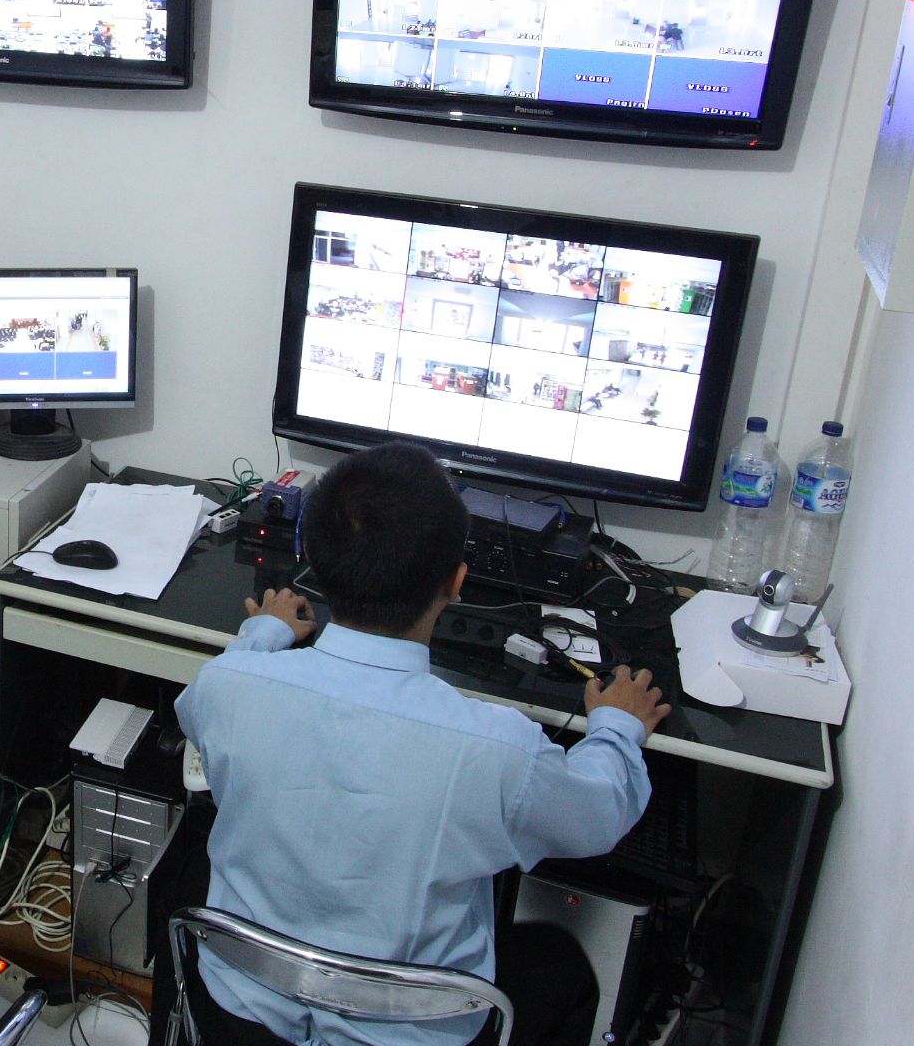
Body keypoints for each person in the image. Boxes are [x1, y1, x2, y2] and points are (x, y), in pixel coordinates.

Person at [173, 442, 669, 1046]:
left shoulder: (226, 686)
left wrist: (264, 631)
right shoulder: (499, 749)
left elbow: (207, 706)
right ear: (457, 581)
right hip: (407, 1028)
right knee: (560, 965)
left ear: (312, 561)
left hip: (241, 1012)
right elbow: (598, 817)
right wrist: (617, 727)